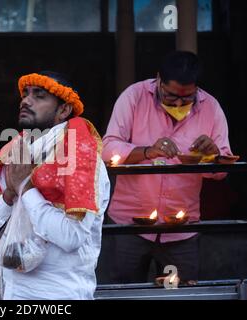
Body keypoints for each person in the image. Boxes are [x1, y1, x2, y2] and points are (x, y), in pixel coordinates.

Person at [0, 71, 110, 299]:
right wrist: (10, 193)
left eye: (39, 96)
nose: (25, 100)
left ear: (63, 110)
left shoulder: (83, 161)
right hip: (11, 292)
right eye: (25, 94)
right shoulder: (17, 156)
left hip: (59, 295)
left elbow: (71, 237)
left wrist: (25, 187)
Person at [102, 51, 232, 284]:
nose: (179, 104)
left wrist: (213, 155)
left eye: (188, 98)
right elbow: (107, 148)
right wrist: (147, 151)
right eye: (171, 96)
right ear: (158, 79)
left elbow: (222, 171)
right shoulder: (134, 97)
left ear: (197, 88)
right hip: (129, 225)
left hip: (182, 229)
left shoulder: (211, 107)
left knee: (182, 293)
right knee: (122, 292)